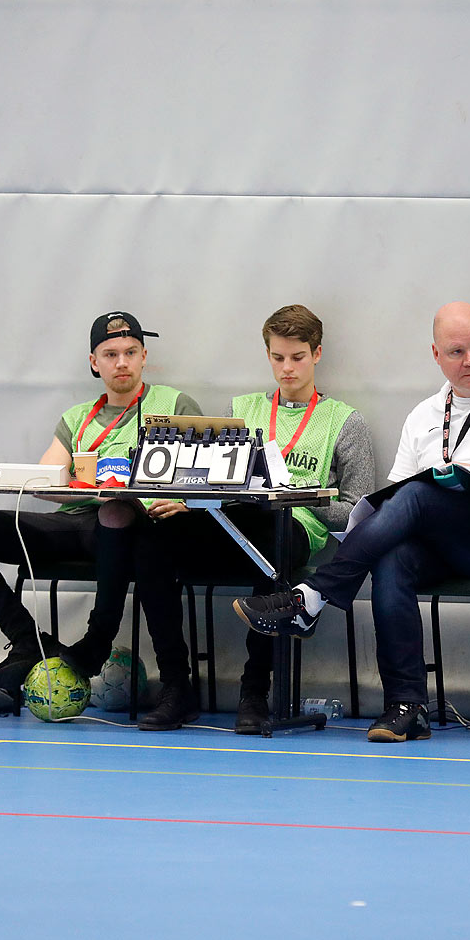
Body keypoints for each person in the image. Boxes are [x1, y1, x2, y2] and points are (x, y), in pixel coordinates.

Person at [233, 301, 470, 743]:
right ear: (436, 356)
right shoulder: (424, 415)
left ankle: (312, 597)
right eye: (456, 352)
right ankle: (406, 707)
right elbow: (390, 506)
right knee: (392, 555)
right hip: (442, 546)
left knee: (418, 491)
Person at [0, 311, 201, 697]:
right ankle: (27, 639)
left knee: (116, 510)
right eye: (110, 354)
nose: (121, 362)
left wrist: (130, 496)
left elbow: (202, 474)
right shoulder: (76, 417)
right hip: (74, 523)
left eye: (130, 352)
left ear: (144, 356)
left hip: (136, 530)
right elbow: (44, 483)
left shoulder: (175, 403)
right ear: (94, 362)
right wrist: (96, 490)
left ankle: (97, 639)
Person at [131, 304, 374, 731]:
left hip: (292, 532)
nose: (287, 368)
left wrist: (295, 499)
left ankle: (254, 691)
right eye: (278, 358)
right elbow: (215, 482)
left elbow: (360, 511)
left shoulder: (344, 421)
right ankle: (175, 686)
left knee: (272, 535)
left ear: (317, 354)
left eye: (297, 358)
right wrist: (189, 503)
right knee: (153, 540)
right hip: (232, 524)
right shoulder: (242, 411)